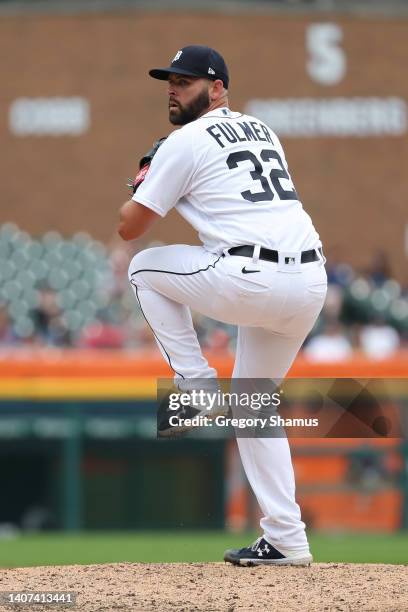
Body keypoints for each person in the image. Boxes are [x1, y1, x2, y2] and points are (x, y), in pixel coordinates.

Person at [118, 45, 327, 566]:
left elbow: (130, 227)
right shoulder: (262, 128)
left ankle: (196, 387)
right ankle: (286, 539)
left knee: (143, 267)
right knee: (255, 405)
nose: (173, 87)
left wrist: (147, 176)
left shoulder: (185, 141)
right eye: (170, 80)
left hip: (252, 276)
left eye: (185, 81)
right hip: (308, 283)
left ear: (217, 89)